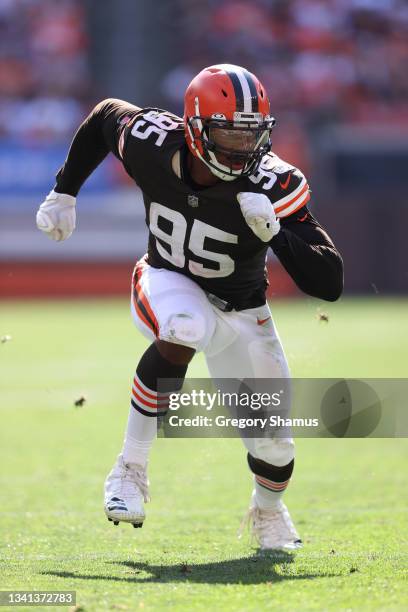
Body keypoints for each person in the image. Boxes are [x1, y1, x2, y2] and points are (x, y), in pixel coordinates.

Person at [36, 64, 343, 550]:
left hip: (243, 309)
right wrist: (64, 189)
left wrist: (277, 235)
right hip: (167, 277)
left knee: (276, 445)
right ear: (195, 128)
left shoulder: (273, 182)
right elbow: (103, 118)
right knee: (183, 327)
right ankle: (130, 468)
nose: (244, 147)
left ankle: (268, 512)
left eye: (253, 134)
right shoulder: (152, 141)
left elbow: (329, 282)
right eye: (229, 132)